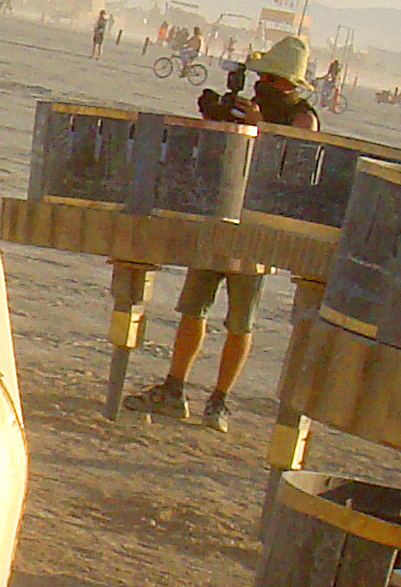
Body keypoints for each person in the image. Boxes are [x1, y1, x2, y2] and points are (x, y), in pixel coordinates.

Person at [128, 36, 319, 430]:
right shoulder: (252, 105)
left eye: (272, 78)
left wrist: (259, 127)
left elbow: (296, 167)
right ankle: (175, 386)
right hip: (220, 214)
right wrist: (218, 118)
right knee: (193, 308)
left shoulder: (303, 117)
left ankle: (219, 400)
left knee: (240, 319)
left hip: (259, 228)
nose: (263, 84)